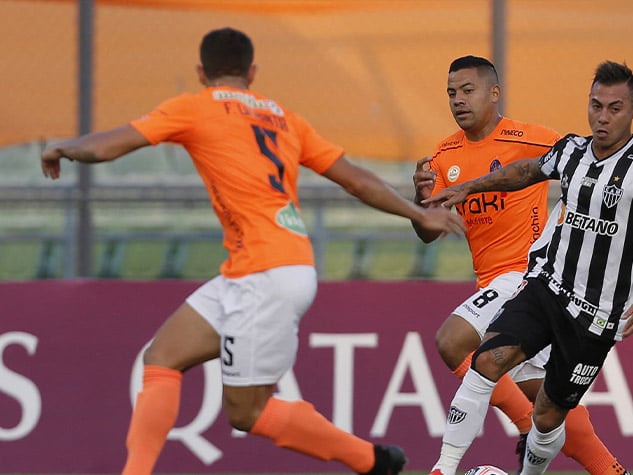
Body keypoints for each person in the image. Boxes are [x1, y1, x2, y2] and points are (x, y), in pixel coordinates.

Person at [41, 27, 464, 475]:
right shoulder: (283, 117)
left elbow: (111, 145)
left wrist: (63, 147)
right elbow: (355, 179)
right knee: (161, 357)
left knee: (247, 413)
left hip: (266, 274)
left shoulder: (195, 106)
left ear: (201, 72)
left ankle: (369, 461)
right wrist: (416, 215)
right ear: (253, 72)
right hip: (258, 268)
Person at [422, 60, 633, 475]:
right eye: (596, 106)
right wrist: (462, 187)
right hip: (545, 287)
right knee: (491, 366)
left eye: (615, 108)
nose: (602, 118)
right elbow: (524, 173)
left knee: (548, 413)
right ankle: (443, 468)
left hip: (592, 314)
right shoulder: (566, 150)